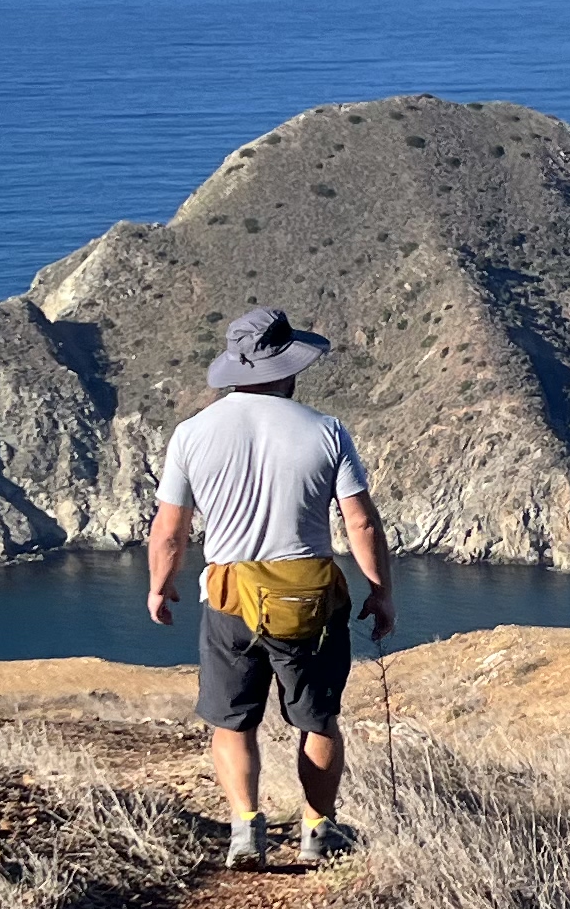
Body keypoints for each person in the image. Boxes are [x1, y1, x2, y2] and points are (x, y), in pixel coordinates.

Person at [145, 303, 395, 867]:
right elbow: (360, 521)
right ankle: (317, 830)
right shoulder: (326, 432)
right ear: (286, 367)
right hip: (310, 600)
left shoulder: (191, 434)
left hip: (230, 596)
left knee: (233, 720)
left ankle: (246, 830)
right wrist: (381, 590)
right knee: (318, 718)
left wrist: (161, 586)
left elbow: (169, 528)